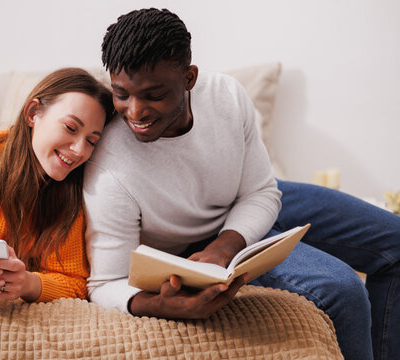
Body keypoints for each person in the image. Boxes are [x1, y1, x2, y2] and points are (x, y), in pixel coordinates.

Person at [83, 8, 400, 360]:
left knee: (395, 239)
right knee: (342, 288)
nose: (135, 112)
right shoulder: (109, 168)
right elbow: (104, 284)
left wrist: (226, 245)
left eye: (154, 95)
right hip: (196, 243)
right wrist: (158, 303)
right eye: (122, 94)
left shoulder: (226, 95)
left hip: (254, 199)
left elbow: (262, 192)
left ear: (189, 78)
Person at [0, 67, 115, 305]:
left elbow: (75, 281)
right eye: (70, 128)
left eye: (91, 141)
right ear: (33, 113)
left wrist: (28, 283)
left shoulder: (79, 183)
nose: (79, 151)